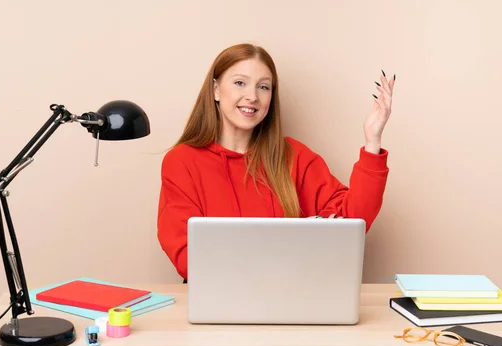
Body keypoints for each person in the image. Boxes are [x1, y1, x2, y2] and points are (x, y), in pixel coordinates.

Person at [157, 43, 395, 280]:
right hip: (220, 301)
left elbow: (352, 223)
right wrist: (293, 248)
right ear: (215, 90)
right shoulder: (181, 162)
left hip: (293, 297)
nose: (252, 96)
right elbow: (188, 258)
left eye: (263, 87)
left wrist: (372, 141)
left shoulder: (293, 156)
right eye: (240, 83)